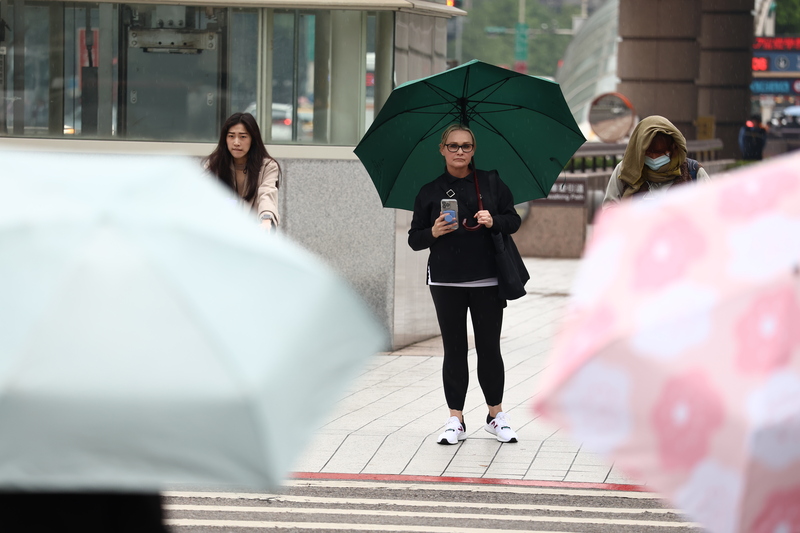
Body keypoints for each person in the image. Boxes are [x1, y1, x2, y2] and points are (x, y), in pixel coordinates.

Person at [408, 124, 522, 445]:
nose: (460, 151)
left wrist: (494, 220)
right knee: (454, 350)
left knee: (489, 348)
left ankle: (495, 415)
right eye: (454, 146)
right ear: (441, 149)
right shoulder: (430, 191)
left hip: (487, 278)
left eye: (467, 146)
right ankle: (455, 419)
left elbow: (513, 220)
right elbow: (415, 239)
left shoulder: (491, 183)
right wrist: (433, 232)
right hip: (446, 279)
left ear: (474, 150)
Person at [603, 115, 711, 208]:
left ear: (673, 148)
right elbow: (610, 211)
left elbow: (712, 211)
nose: (654, 158)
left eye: (660, 153)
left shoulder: (693, 172)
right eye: (649, 153)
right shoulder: (626, 171)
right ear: (640, 151)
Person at [204, 112, 280, 230]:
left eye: (243, 136)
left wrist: (266, 219)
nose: (236, 142)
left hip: (254, 232)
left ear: (253, 139)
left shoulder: (267, 166)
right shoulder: (214, 165)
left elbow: (267, 193)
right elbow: (203, 195)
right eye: (231, 136)